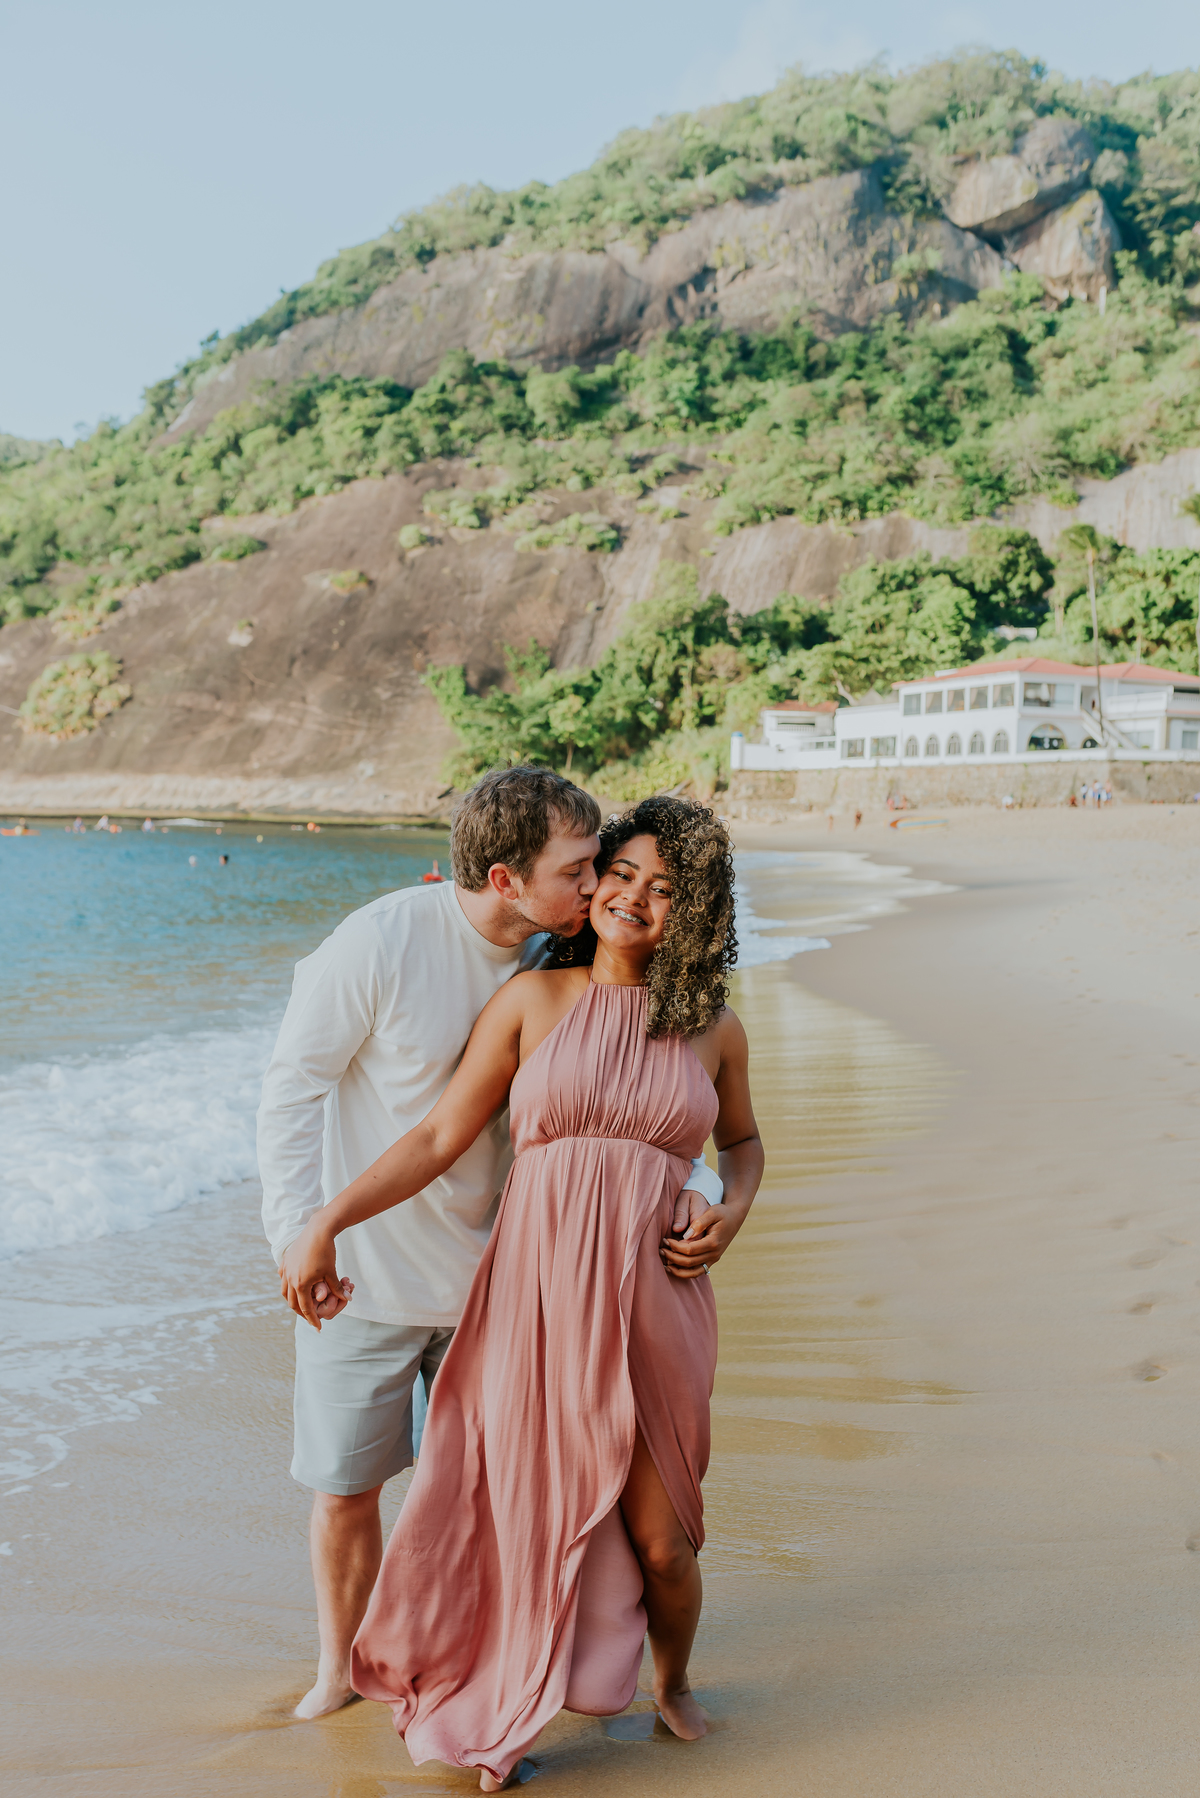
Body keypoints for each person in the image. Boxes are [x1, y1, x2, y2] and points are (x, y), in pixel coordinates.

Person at [282, 796, 763, 1789]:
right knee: (527, 1517)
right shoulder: (533, 1004)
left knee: (666, 1540)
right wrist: (323, 1220)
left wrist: (733, 1207)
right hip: (538, 1303)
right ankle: (500, 1704)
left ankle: (671, 1682)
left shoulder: (719, 1030)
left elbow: (744, 1146)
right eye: (617, 874)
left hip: (658, 1303)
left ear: (698, 912)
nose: (630, 897)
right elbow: (433, 1139)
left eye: (662, 888)